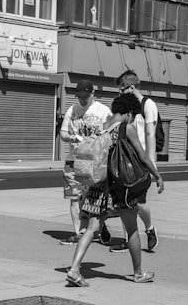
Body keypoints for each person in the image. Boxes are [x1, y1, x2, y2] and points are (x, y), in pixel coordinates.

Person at [65, 93, 164, 287]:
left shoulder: (103, 127)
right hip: (119, 188)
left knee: (92, 229)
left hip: (98, 187)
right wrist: (157, 176)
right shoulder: (127, 128)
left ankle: (74, 269)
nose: (134, 119)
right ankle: (138, 273)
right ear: (128, 113)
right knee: (132, 228)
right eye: (134, 115)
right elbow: (143, 157)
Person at [109, 70, 164, 253]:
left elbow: (150, 135)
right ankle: (128, 238)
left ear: (131, 87)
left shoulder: (148, 105)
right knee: (125, 201)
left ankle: (148, 229)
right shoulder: (126, 106)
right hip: (126, 157)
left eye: (122, 90)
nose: (120, 94)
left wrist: (151, 164)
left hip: (141, 160)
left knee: (139, 203)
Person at [59, 80, 112, 246]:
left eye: (86, 96)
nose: (82, 100)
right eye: (79, 97)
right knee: (74, 197)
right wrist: (71, 137)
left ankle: (96, 226)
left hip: (93, 161)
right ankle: (78, 233)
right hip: (74, 159)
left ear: (93, 94)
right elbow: (63, 132)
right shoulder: (72, 110)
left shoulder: (102, 111)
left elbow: (110, 133)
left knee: (92, 197)